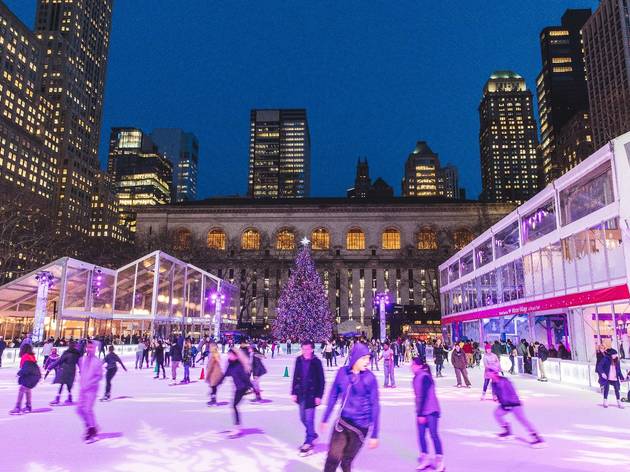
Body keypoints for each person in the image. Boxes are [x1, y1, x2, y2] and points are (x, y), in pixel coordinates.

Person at [321, 343, 380, 472]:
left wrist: (375, 434)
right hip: (343, 423)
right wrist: (325, 418)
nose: (367, 361)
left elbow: (375, 405)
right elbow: (333, 396)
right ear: (355, 358)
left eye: (368, 358)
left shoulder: (370, 378)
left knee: (346, 462)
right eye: (363, 358)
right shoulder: (342, 373)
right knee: (331, 460)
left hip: (360, 428)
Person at [490, 370, 545, 448]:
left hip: (514, 403)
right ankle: (507, 430)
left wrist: (509, 403)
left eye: (489, 372)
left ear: (495, 373)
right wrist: (496, 398)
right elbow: (496, 393)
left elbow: (511, 392)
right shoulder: (493, 384)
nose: (488, 374)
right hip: (505, 404)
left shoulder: (505, 381)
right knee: (497, 413)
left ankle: (537, 437)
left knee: (522, 420)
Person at [291, 340, 325, 455]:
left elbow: (322, 380)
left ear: (312, 349)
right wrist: (293, 392)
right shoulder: (298, 360)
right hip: (301, 394)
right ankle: (313, 435)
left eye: (308, 349)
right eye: (303, 349)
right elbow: (295, 376)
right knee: (302, 418)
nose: (305, 351)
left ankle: (308, 442)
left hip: (312, 395)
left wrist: (319, 396)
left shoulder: (317, 362)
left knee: (309, 420)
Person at [412, 358, 444, 472]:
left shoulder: (424, 377)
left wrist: (420, 413)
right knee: (421, 435)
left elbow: (424, 396)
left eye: (414, 365)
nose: (412, 367)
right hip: (422, 410)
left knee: (433, 434)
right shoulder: (416, 377)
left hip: (431, 411)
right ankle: (424, 457)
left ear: (420, 366)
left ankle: (439, 459)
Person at [218, 347, 252, 438]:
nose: (229, 356)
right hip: (238, 387)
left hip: (242, 387)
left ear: (236, 356)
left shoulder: (239, 365)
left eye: (231, 355)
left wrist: (251, 387)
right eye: (228, 354)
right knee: (234, 406)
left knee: (234, 405)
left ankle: (237, 428)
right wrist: (218, 383)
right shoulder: (231, 364)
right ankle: (237, 427)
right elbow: (225, 375)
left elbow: (245, 377)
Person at [76, 341, 103, 443]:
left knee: (87, 409)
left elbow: (99, 376)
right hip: (82, 389)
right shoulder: (81, 360)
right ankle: (91, 426)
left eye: (91, 347)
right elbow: (82, 373)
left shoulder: (97, 362)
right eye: (88, 347)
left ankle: (92, 432)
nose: (89, 349)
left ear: (95, 349)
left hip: (92, 390)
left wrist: (90, 383)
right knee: (79, 410)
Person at [9, 344, 41, 415]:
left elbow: (26, 368)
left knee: (22, 389)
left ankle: (18, 407)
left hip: (31, 375)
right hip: (35, 374)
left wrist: (19, 373)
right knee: (27, 389)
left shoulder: (25, 356)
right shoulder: (31, 356)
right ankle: (28, 406)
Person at [49, 340, 81, 405]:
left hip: (65, 370)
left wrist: (51, 366)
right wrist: (81, 369)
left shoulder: (67, 353)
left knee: (62, 384)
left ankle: (57, 399)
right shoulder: (77, 354)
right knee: (69, 385)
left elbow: (60, 361)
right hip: (72, 370)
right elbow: (79, 362)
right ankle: (70, 398)